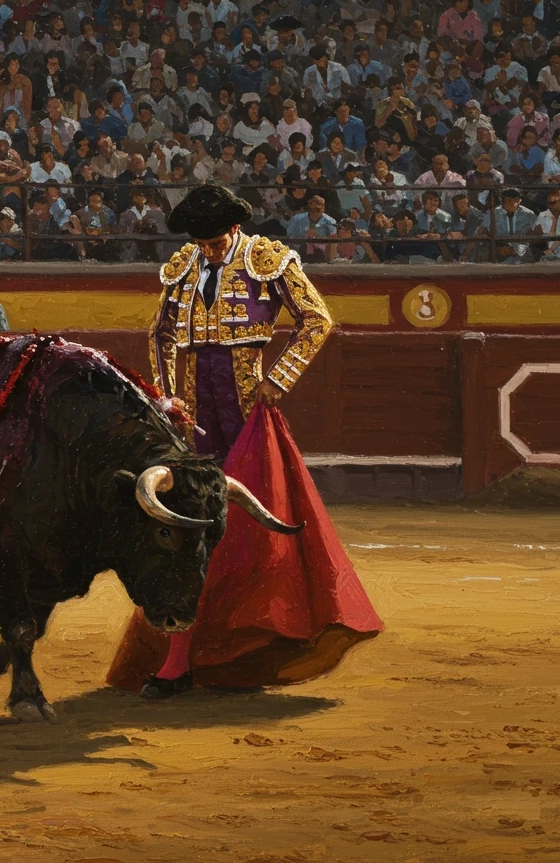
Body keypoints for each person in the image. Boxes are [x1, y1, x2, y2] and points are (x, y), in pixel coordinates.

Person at [107, 182, 382, 698]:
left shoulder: (267, 259)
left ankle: (249, 650)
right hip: (196, 421)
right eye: (202, 243)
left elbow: (317, 320)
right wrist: (167, 398)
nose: (208, 251)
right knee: (188, 536)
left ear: (234, 229)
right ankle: (180, 659)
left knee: (251, 536)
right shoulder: (185, 265)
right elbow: (160, 333)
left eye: (215, 242)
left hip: (247, 415)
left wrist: (279, 378)